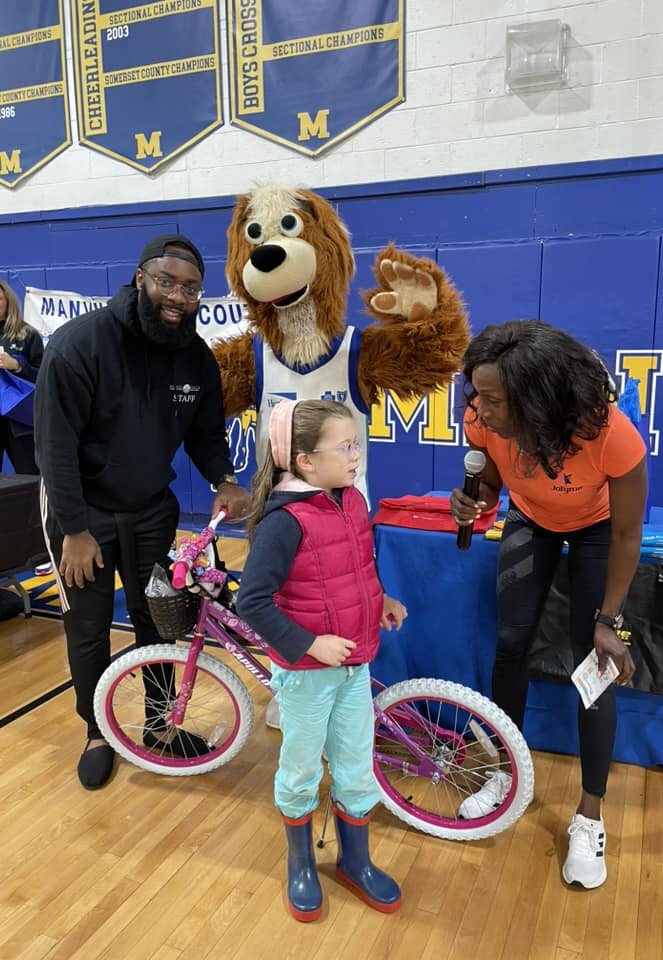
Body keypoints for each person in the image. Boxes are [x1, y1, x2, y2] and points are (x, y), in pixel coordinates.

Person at [34, 235, 249, 790]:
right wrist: (75, 530)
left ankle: (157, 725)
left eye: (191, 288)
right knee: (89, 628)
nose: (178, 296)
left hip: (151, 508)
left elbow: (205, 433)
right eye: (167, 282)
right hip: (82, 513)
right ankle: (97, 732)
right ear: (140, 279)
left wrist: (223, 477)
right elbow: (54, 447)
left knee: (158, 621)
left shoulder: (194, 355)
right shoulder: (80, 344)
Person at [450, 320, 647, 890]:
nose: (479, 410)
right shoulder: (483, 419)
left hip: (598, 531)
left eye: (493, 400)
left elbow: (627, 534)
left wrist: (608, 620)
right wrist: (476, 501)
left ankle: (590, 816)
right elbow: (490, 481)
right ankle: (507, 771)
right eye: (477, 395)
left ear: (536, 399)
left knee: (593, 661)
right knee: (511, 643)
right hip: (530, 520)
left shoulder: (610, 434)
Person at [235, 398, 407, 921]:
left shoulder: (351, 500)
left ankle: (355, 862)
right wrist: (310, 644)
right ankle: (301, 863)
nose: (357, 455)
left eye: (357, 444)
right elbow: (251, 602)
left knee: (356, 765)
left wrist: (381, 601)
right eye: (345, 447)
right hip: (308, 675)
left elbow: (357, 567)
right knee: (301, 769)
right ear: (305, 461)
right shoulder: (284, 522)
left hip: (354, 664)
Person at [0, 279, 44, 474]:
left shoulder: (27, 335)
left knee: (30, 477)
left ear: (8, 301)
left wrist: (18, 366)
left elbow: (44, 377)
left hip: (21, 422)